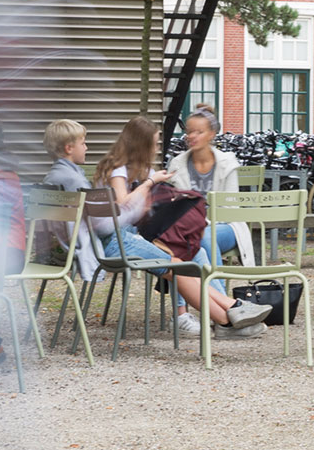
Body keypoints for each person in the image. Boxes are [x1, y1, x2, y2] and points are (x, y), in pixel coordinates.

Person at [97, 116, 268, 337]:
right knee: (179, 264)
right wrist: (152, 183)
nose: (157, 148)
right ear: (141, 144)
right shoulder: (118, 169)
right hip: (118, 240)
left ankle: (227, 317)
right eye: (155, 143)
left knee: (194, 251)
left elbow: (147, 209)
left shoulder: (140, 170)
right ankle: (229, 316)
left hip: (135, 237)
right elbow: (123, 204)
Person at [164, 107, 255, 282]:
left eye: (199, 132)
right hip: (188, 229)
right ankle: (208, 303)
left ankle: (213, 299)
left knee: (202, 236)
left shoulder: (227, 163)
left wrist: (200, 222)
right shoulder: (177, 164)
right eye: (189, 131)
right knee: (191, 239)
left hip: (226, 226)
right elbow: (173, 206)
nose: (192, 136)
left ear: (212, 134)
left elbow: (230, 208)